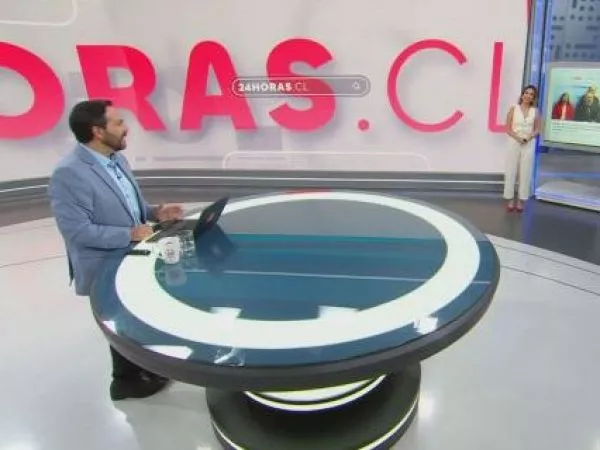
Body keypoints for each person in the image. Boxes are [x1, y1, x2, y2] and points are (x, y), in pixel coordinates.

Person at [48, 99, 184, 400]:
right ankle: (124, 382)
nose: (126, 128)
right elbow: (77, 231)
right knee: (120, 324)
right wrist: (129, 234)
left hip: (132, 254)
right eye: (118, 123)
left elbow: (129, 205)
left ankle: (144, 369)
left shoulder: (116, 159)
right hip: (104, 261)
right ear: (97, 131)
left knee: (138, 317)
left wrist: (155, 212)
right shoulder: (68, 173)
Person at [503, 85, 541, 212]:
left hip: (528, 143)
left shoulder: (535, 111)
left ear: (533, 98)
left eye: (531, 94)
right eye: (526, 93)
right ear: (522, 95)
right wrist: (518, 138)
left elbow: (537, 129)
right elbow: (508, 128)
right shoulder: (514, 108)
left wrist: (529, 137)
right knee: (511, 170)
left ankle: (521, 200)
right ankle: (510, 199)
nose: (528, 96)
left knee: (525, 172)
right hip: (514, 141)